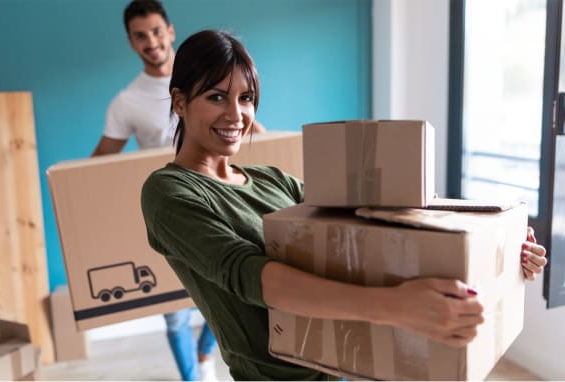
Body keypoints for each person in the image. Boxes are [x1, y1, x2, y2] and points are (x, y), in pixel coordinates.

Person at [140, 29, 548, 380]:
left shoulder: (272, 180)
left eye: (246, 98)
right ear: (179, 102)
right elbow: (254, 277)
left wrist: (491, 249)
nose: (236, 114)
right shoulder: (169, 193)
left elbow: (370, 229)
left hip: (341, 361)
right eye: (216, 96)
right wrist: (396, 307)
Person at [90, 2, 267, 380]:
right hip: (175, 207)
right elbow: (98, 165)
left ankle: (207, 355)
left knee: (226, 292)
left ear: (170, 32)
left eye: (156, 31)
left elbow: (250, 130)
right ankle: (194, 375)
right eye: (141, 36)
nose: (151, 42)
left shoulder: (213, 75)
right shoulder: (127, 102)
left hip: (217, 200)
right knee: (175, 316)